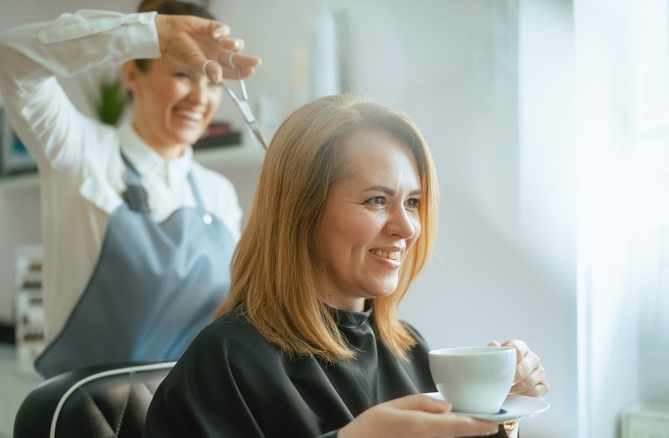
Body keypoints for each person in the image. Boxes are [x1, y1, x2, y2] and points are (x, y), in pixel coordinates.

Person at [144, 95, 549, 437]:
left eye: (412, 202)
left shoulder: (408, 348)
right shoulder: (226, 362)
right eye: (376, 200)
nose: (407, 227)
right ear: (302, 212)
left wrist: (503, 417)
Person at [0, 0, 261, 377]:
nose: (201, 98)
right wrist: (151, 34)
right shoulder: (79, 152)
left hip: (189, 411)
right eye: (184, 74)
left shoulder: (218, 194)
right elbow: (11, 54)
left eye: (213, 81)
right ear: (132, 73)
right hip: (89, 412)